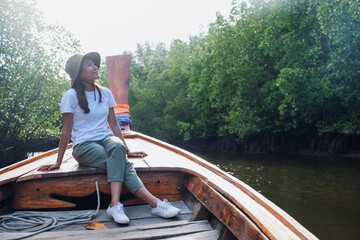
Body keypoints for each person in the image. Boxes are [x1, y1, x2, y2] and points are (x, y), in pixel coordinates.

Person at [38, 52, 180, 224]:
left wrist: (128, 150)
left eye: (94, 63)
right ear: (79, 73)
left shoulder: (105, 93)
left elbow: (113, 125)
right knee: (120, 162)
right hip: (84, 145)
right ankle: (154, 203)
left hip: (105, 139)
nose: (95, 66)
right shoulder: (70, 96)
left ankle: (115, 204)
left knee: (117, 148)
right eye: (89, 64)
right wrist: (58, 162)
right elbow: (66, 131)